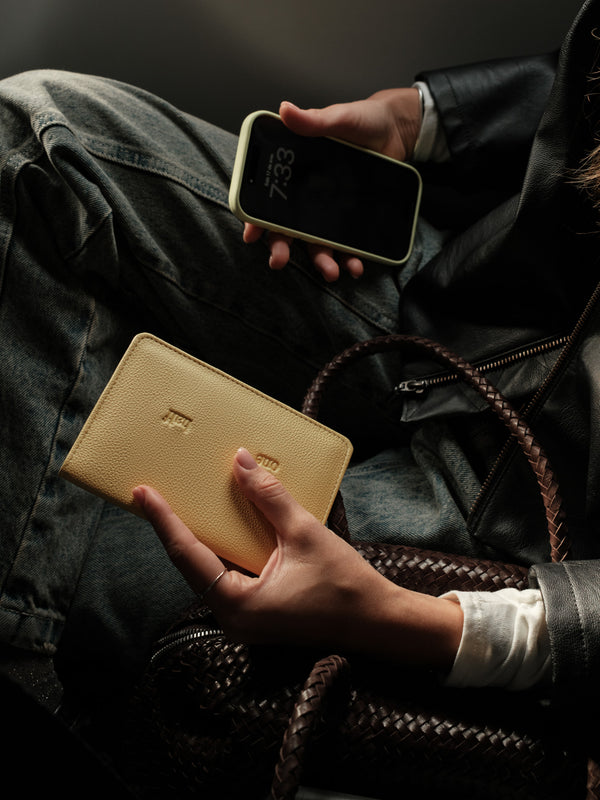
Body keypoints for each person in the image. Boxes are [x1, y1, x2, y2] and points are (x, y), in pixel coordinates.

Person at [1, 0, 598, 757]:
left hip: (527, 526)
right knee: (36, 141)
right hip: (476, 306)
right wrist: (415, 120)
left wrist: (416, 624)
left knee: (111, 578)